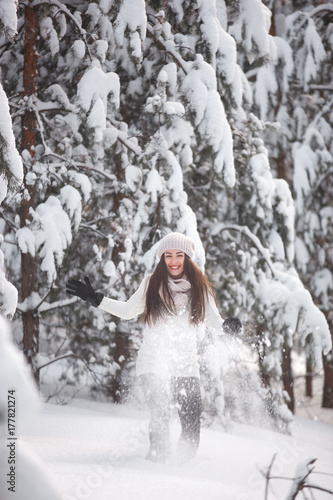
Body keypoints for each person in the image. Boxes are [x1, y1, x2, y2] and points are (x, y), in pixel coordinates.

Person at [66, 232, 242, 463]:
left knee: (190, 425)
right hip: (152, 362)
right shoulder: (152, 282)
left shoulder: (200, 287)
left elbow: (214, 320)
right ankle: (156, 465)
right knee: (159, 413)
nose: (173, 260)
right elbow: (129, 311)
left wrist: (227, 326)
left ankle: (182, 468)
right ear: (162, 258)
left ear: (187, 257)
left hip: (186, 366)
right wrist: (96, 299)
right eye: (168, 255)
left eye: (179, 254)